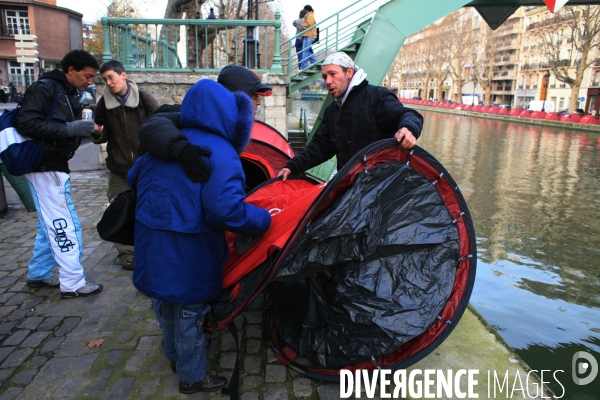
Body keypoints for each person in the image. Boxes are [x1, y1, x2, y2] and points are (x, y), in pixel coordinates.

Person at [128, 79, 271, 394]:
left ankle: (174, 356)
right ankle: (192, 377)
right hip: (189, 249)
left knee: (163, 303)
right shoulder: (221, 152)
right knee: (190, 312)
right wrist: (262, 219)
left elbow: (132, 178)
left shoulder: (166, 144)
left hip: (152, 241)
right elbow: (226, 212)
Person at [17, 49, 103, 298]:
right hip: (45, 165)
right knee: (66, 225)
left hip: (53, 164)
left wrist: (85, 130)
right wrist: (72, 128)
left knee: (50, 224)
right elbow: (27, 123)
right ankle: (73, 282)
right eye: (87, 76)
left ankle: (39, 273)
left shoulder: (67, 91)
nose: (90, 82)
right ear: (70, 71)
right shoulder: (45, 88)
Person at [279, 51, 423, 180]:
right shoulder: (332, 110)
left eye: (333, 74)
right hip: (350, 186)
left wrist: (408, 129)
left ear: (349, 73)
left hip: (382, 185)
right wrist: (292, 167)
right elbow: (320, 147)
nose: (327, 81)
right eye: (324, 76)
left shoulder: (377, 96)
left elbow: (409, 115)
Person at [136, 65, 272, 175]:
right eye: (255, 97)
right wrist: (180, 148)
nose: (259, 103)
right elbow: (151, 127)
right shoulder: (189, 115)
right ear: (238, 98)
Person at [91, 60, 159, 270]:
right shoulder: (104, 103)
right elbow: (102, 136)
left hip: (145, 166)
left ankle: (151, 248)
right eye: (104, 80)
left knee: (149, 207)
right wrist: (97, 133)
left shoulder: (144, 98)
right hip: (119, 169)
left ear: (123, 75)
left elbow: (160, 124)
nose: (108, 83)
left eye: (111, 77)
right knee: (118, 209)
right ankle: (127, 254)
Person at [299, 5, 317, 70]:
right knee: (307, 51)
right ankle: (314, 62)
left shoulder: (310, 15)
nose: (303, 11)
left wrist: (302, 25)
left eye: (304, 10)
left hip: (309, 35)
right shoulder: (309, 15)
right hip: (308, 35)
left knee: (305, 51)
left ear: (306, 9)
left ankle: (304, 66)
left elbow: (308, 24)